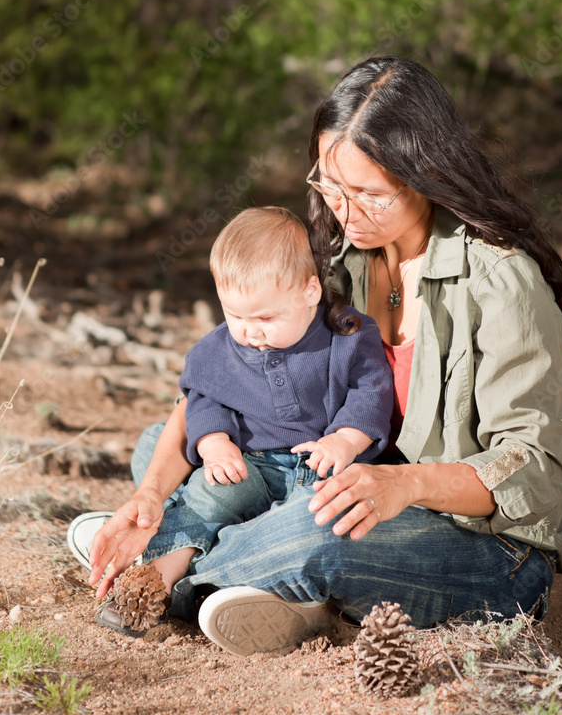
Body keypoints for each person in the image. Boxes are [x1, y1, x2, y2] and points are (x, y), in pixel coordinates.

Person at [86, 55, 562, 657]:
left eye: (369, 193)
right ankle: (275, 586)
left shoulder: (501, 281)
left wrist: (404, 484)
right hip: (343, 484)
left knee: (317, 531)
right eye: (330, 186)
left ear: (427, 172)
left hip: (479, 545)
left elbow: (534, 468)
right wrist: (150, 492)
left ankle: (173, 564)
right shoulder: (337, 262)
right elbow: (215, 391)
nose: (345, 210)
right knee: (163, 448)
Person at [93, 206, 392, 633]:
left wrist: (344, 440)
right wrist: (215, 444)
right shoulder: (216, 351)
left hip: (324, 469)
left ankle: (223, 582)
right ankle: (157, 578)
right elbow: (203, 400)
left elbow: (371, 393)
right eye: (236, 316)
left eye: (267, 318)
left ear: (310, 291)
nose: (250, 332)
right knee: (206, 488)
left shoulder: (348, 335)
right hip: (250, 463)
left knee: (311, 523)